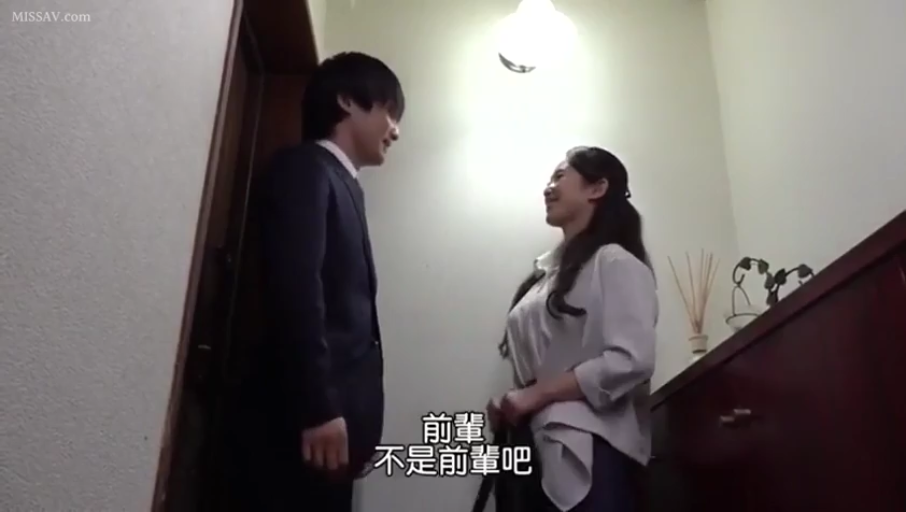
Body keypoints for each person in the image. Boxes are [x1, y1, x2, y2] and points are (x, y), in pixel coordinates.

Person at [231, 51, 404, 512]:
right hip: (302, 428)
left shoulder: (341, 181)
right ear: (347, 100)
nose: (395, 130)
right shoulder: (306, 168)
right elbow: (297, 291)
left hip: (331, 436)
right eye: (389, 111)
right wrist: (319, 407)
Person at [486, 146, 657, 512]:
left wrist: (538, 394)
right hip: (535, 447)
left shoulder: (614, 262)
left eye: (559, 176)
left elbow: (632, 359)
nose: (548, 188)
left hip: (588, 449)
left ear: (597, 188)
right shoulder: (544, 277)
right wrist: (515, 402)